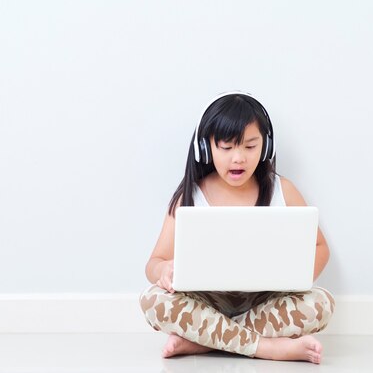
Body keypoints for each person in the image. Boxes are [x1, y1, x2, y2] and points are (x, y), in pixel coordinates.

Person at [139, 91, 335, 364]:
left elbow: (319, 246)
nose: (238, 158)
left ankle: (204, 341)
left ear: (266, 147)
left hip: (265, 302)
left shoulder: (283, 190)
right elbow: (154, 262)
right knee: (152, 300)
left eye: (250, 146)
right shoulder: (191, 194)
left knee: (321, 303)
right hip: (206, 302)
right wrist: (163, 270)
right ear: (206, 149)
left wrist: (297, 278)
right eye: (227, 148)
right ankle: (266, 347)